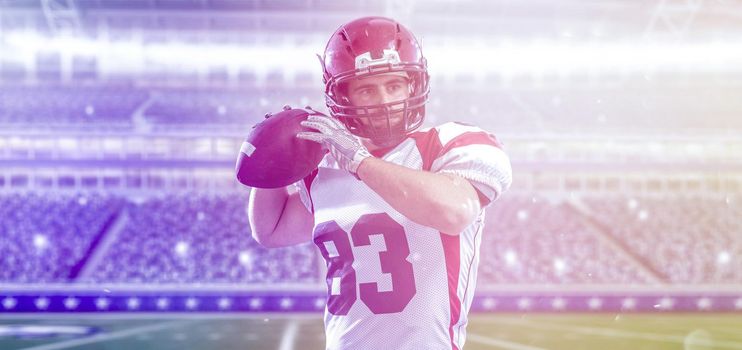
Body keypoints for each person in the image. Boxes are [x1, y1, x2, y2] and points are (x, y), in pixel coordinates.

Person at [248, 16, 512, 350]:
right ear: (344, 96)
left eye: (394, 85)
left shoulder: (449, 143)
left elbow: (453, 212)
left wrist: (360, 161)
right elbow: (271, 231)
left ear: (413, 85)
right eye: (367, 89)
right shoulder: (325, 165)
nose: (385, 100)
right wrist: (272, 163)